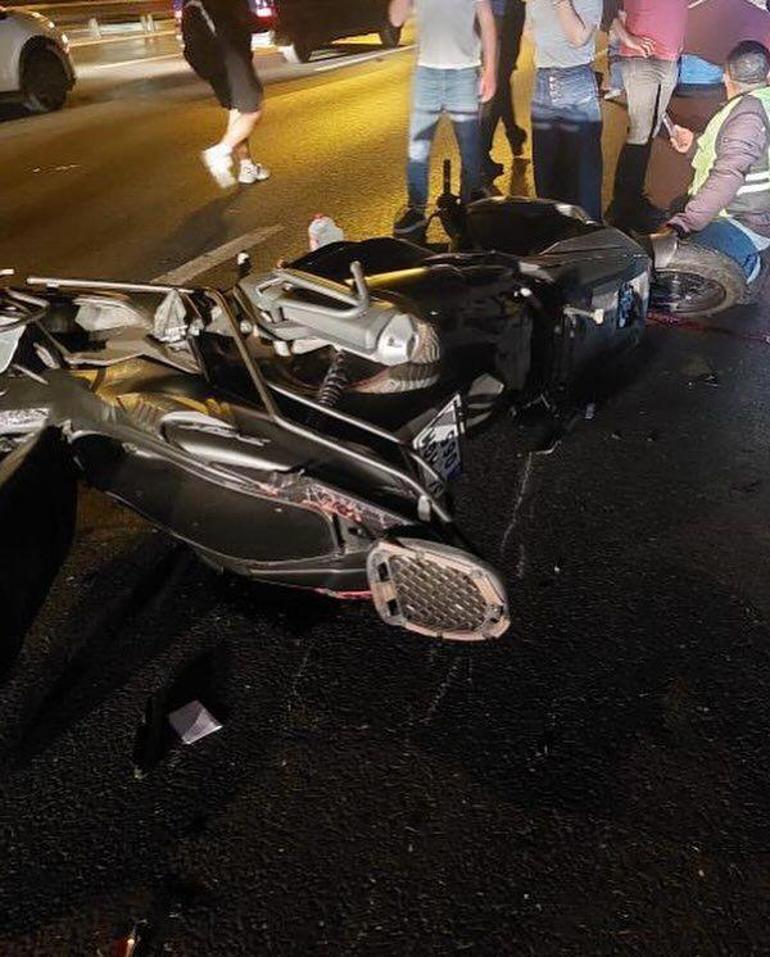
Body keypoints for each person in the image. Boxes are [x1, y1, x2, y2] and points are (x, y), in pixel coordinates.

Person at [390, 0, 498, 239]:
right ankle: (417, 209)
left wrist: (490, 70)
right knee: (417, 151)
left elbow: (487, 19)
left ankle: (471, 206)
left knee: (470, 150)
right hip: (427, 74)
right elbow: (396, 19)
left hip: (464, 73)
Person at [665, 41, 770, 282]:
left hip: (745, 220)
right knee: (679, 206)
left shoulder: (748, 115)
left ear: (726, 77)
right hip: (757, 210)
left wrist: (686, 223)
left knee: (672, 265)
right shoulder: (762, 104)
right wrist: (694, 145)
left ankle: (745, 265)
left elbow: (728, 174)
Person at [605, 0, 689, 230]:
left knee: (650, 130)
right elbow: (607, 8)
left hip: (670, 60)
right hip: (641, 58)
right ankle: (622, 206)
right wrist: (628, 39)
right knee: (640, 132)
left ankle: (633, 199)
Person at [526, 0, 604, 221]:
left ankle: (588, 236)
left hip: (575, 82)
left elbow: (578, 38)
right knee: (547, 178)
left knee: (582, 181)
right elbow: (528, 31)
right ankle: (555, 234)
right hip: (543, 82)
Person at [181, 0, 270, 188]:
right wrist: (270, 20)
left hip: (212, 66)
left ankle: (247, 166)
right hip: (232, 58)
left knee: (237, 112)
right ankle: (219, 153)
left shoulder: (189, 5)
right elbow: (245, 20)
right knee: (252, 111)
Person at [480, 0, 527, 187]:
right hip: (501, 15)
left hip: (497, 13)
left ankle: (512, 135)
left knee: (501, 82)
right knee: (498, 84)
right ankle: (481, 155)